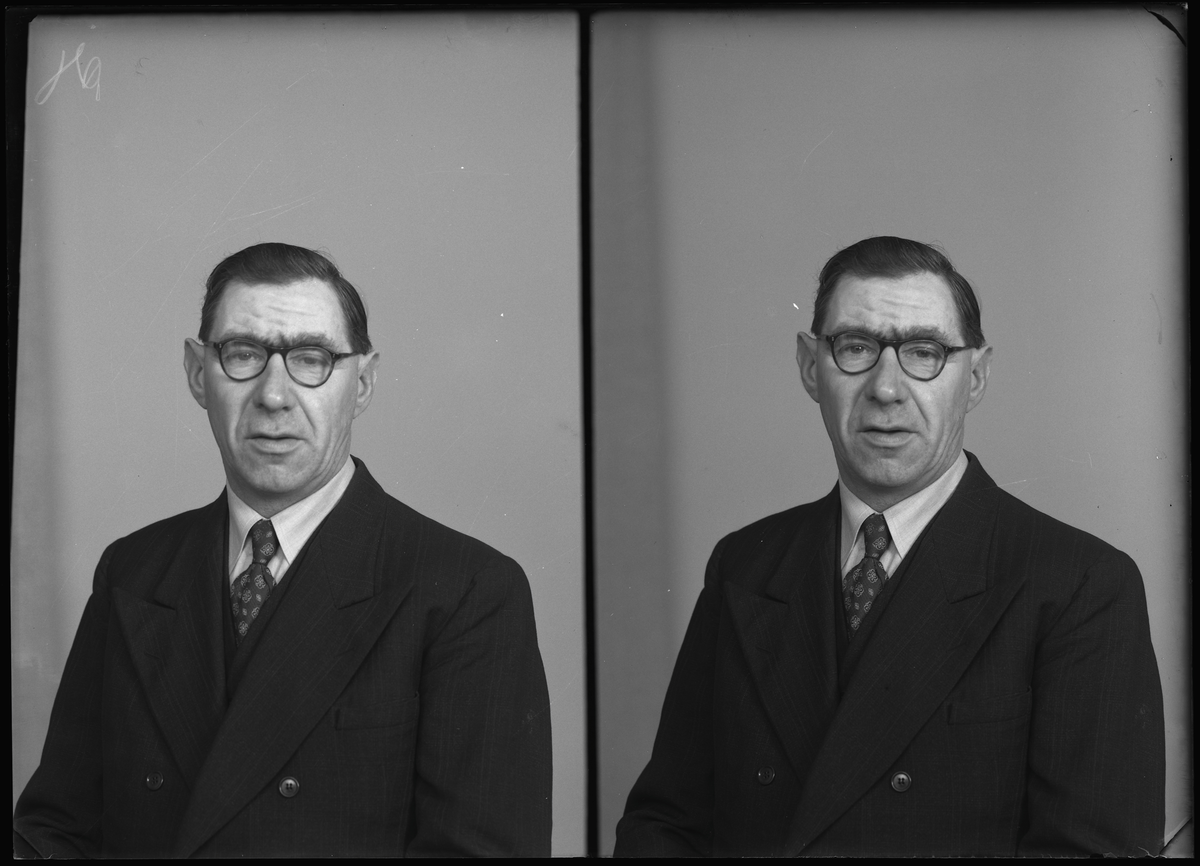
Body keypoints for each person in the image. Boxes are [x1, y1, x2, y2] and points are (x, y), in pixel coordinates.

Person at [614, 236, 1164, 857]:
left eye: (924, 352)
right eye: (856, 347)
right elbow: (666, 825)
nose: (886, 388)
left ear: (975, 377)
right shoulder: (745, 565)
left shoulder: (1080, 586)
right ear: (810, 367)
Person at [13, 243, 552, 858]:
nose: (274, 395)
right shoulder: (132, 572)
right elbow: (57, 833)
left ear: (363, 382)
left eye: (311, 359)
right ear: (198, 373)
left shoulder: (467, 591)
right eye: (243, 354)